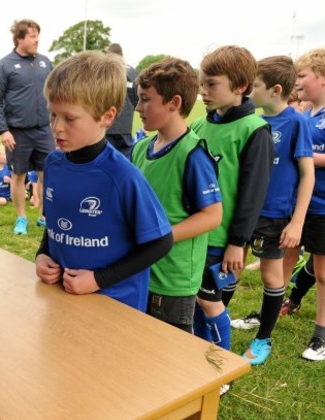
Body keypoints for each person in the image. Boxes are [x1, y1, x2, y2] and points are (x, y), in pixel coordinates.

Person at [35, 51, 174, 312]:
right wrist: (42, 254)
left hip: (116, 306)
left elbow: (160, 243)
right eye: (53, 115)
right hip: (64, 300)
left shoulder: (123, 176)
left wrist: (99, 279)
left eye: (69, 118)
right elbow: (54, 224)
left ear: (106, 117)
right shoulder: (53, 164)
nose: (56, 127)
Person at [190, 45, 275, 367]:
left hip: (223, 241)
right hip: (192, 233)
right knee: (192, 303)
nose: (204, 91)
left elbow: (253, 196)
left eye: (212, 84)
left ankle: (218, 369)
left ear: (239, 87)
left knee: (212, 303)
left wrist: (238, 243)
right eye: (202, 83)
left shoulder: (254, 131)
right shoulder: (199, 126)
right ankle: (194, 361)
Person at [229, 55, 314, 365]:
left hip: (275, 215)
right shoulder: (250, 118)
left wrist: (297, 222)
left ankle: (263, 339)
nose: (248, 90)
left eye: (254, 85)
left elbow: (307, 174)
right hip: (243, 211)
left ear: (275, 89)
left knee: (270, 273)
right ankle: (216, 323)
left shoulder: (296, 122)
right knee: (230, 267)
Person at [130, 58, 223, 332]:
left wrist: (161, 238)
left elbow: (212, 215)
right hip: (139, 269)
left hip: (172, 279)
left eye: (146, 100)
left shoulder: (192, 154)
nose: (138, 108)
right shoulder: (140, 148)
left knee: (168, 356)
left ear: (174, 103)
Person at [0, 19, 55, 234]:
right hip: (16, 132)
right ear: (19, 39)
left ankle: (44, 216)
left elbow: (56, 95)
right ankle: (21, 218)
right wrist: (3, 130)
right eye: (33, 36)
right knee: (19, 175)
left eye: (38, 36)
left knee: (47, 174)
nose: (37, 40)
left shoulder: (46, 62)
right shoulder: (4, 65)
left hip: (45, 130)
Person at [293, 48, 325, 361]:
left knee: (323, 272)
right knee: (283, 258)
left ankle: (321, 334)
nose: (297, 81)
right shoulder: (305, 114)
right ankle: (268, 314)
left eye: (302, 75)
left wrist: (304, 157)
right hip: (297, 203)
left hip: (322, 207)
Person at [104, 43, 139, 157]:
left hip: (106, 127)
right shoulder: (133, 72)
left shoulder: (105, 68)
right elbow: (137, 99)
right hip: (126, 128)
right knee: (124, 162)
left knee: (104, 162)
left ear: (109, 54)